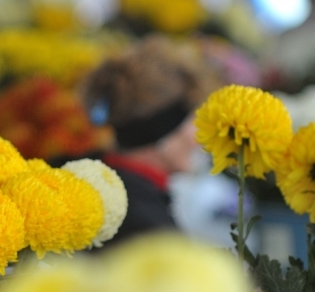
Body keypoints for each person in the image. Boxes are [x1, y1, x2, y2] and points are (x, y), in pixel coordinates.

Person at [78, 34, 224, 246]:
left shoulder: (86, 175)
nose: (201, 137)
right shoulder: (148, 229)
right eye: (194, 119)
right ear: (162, 133)